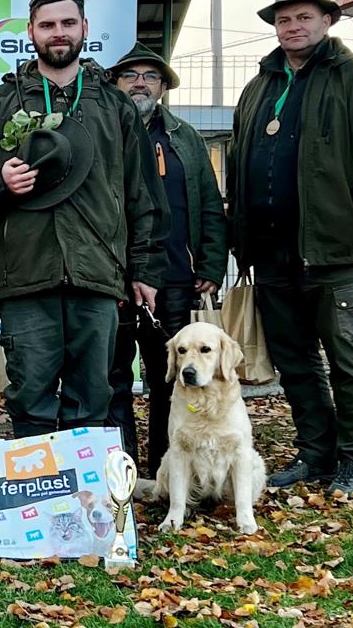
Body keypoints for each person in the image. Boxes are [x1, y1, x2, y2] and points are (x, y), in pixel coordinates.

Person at [0, 0, 167, 439]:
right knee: (30, 396)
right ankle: (40, 501)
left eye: (68, 24)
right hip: (25, 275)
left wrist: (143, 269)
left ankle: (84, 501)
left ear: (85, 29)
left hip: (97, 273)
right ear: (30, 31)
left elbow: (142, 194)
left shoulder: (115, 106)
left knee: (93, 397)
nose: (58, 33)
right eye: (47, 25)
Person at [227, 0, 353, 495]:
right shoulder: (260, 85)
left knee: (349, 362)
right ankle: (317, 456)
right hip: (271, 253)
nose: (293, 27)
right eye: (284, 19)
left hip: (336, 252)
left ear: (327, 20)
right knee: (295, 362)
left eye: (304, 17)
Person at [105, 42, 228, 475]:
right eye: (130, 76)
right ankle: (121, 473)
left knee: (171, 379)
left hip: (175, 278)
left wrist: (212, 263)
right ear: (115, 84)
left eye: (150, 76)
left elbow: (210, 203)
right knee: (112, 378)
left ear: (162, 86)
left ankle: (165, 469)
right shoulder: (102, 132)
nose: (140, 83)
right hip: (113, 277)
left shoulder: (186, 138)